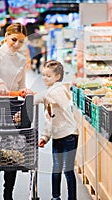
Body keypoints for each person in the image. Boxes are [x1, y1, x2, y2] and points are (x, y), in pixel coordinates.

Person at [0, 22, 28, 200]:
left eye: (21, 42)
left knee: (11, 150)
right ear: (7, 36)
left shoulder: (22, 60)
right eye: (14, 39)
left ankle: (8, 193)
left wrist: (26, 90)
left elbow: (22, 84)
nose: (16, 44)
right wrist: (0, 83)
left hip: (12, 105)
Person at [35, 60, 79, 200]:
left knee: (68, 169)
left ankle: (72, 198)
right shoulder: (50, 93)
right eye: (43, 75)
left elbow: (45, 96)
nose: (44, 78)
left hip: (69, 135)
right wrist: (44, 137)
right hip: (57, 136)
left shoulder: (58, 90)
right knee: (56, 168)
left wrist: (31, 97)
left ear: (57, 77)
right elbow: (50, 118)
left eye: (48, 76)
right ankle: (55, 197)